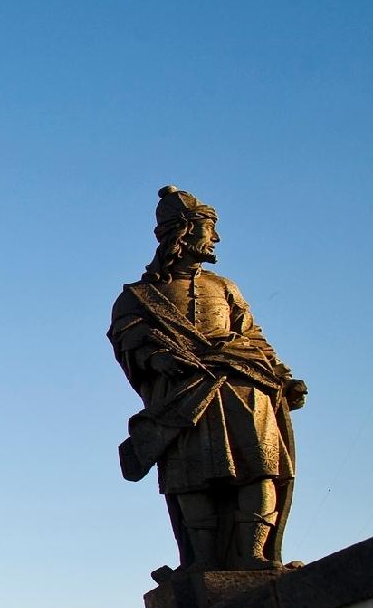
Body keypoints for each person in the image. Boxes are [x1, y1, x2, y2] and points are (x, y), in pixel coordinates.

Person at [110, 186, 304, 573]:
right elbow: (126, 338)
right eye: (207, 228)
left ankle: (254, 557)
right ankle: (201, 564)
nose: (214, 238)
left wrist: (283, 376)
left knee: (260, 469)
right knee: (190, 479)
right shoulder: (139, 297)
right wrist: (155, 357)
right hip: (183, 397)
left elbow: (253, 336)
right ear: (182, 233)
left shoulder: (225, 288)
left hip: (244, 387)